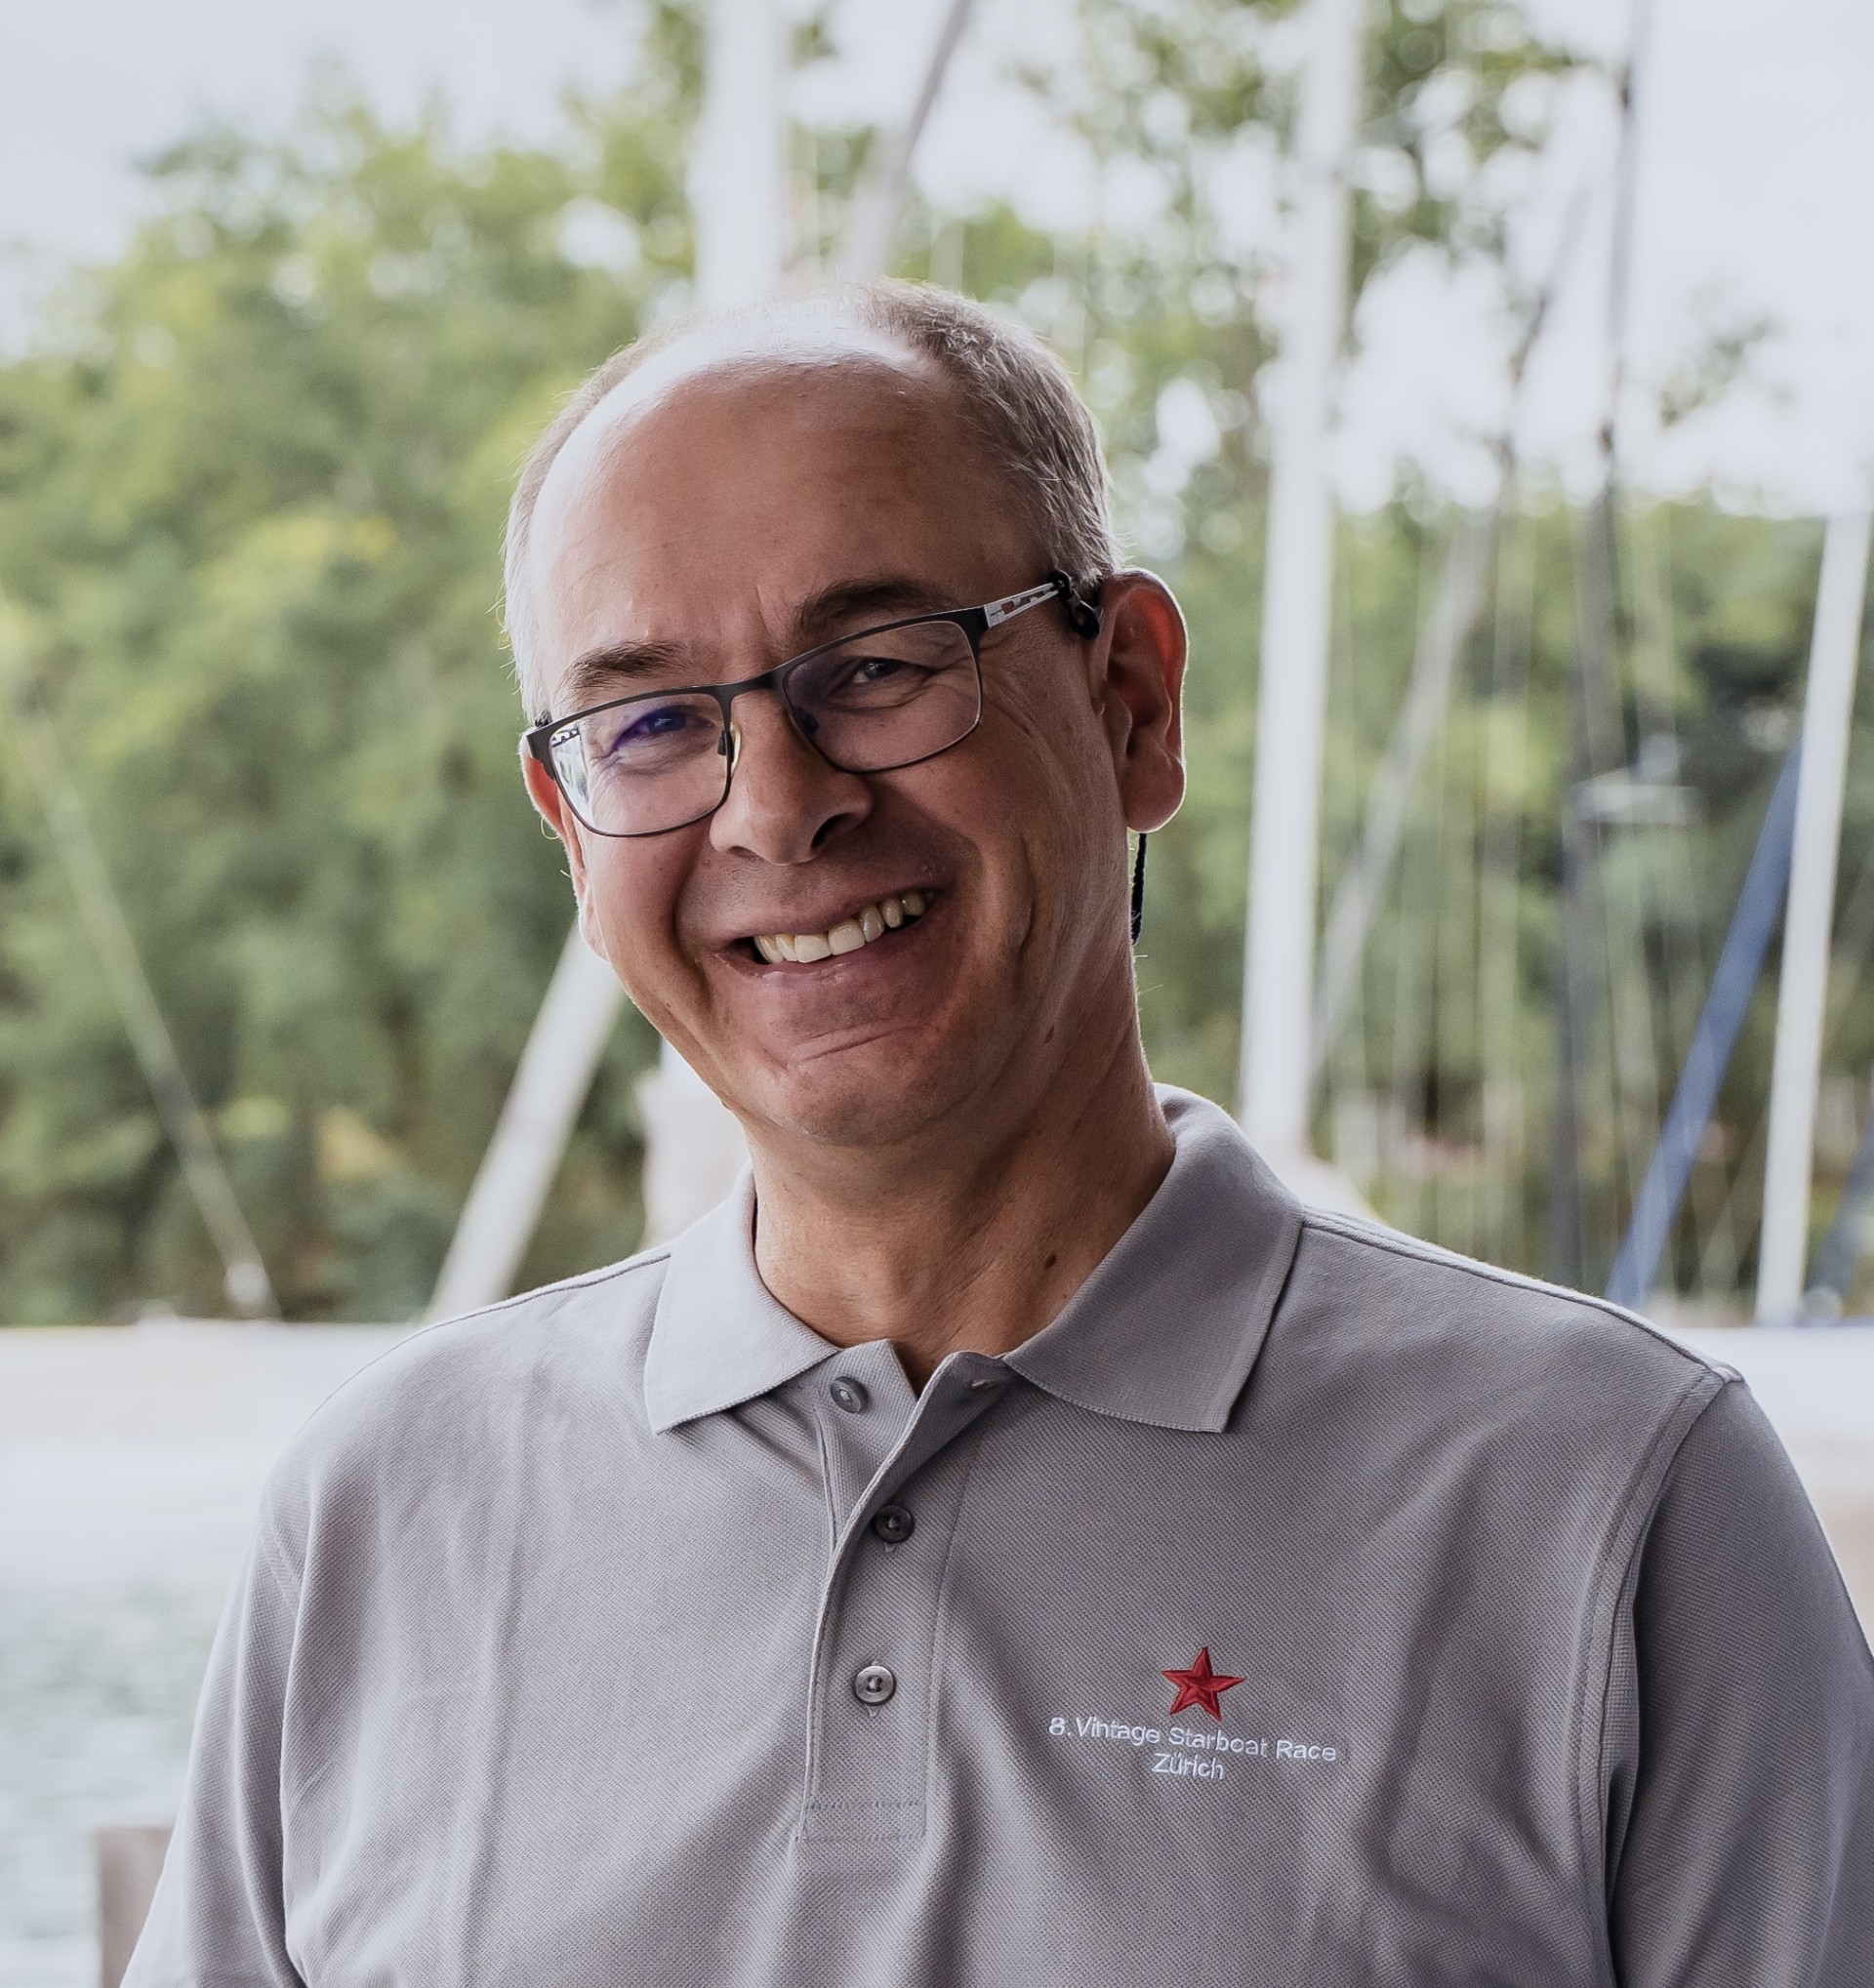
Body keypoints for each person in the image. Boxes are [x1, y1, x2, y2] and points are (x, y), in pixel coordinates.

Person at [128, 283, 1872, 1987]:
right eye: (649, 724)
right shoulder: (381, 1514)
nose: (778, 807)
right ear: (571, 833)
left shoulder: (1611, 1497)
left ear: (1135, 702)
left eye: (877, 666)